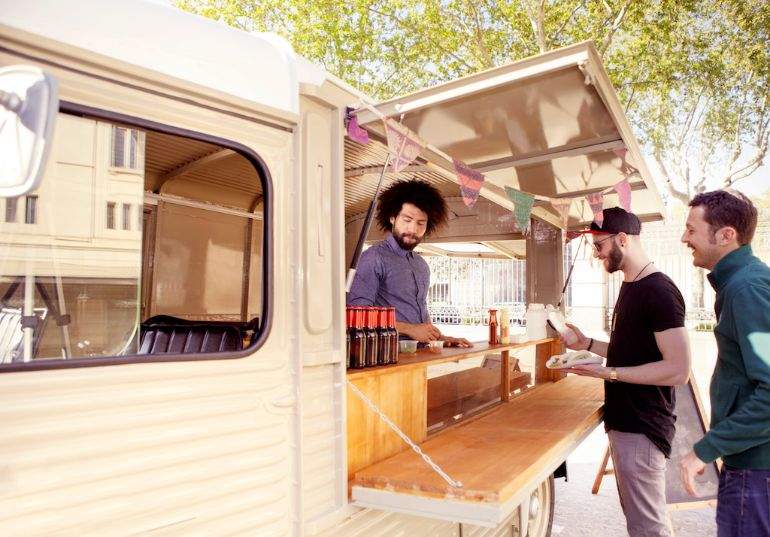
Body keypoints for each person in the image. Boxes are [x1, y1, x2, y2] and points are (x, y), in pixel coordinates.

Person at [562, 207, 691, 537]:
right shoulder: (631, 284)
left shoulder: (658, 290)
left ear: (622, 239)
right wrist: (587, 342)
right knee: (641, 523)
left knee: (648, 528)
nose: (597, 254)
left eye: (600, 245)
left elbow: (678, 369)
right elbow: (631, 352)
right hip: (627, 425)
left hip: (642, 427)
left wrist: (608, 374)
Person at [679, 189, 770, 536]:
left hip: (756, 469)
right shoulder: (741, 283)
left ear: (726, 235)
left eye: (691, 229)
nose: (685, 237)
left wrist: (706, 449)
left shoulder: (747, 289)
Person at [347, 179, 471, 347]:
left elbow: (421, 322)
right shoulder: (373, 258)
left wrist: (442, 339)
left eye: (421, 223)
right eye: (407, 220)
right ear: (392, 217)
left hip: (419, 356)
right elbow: (357, 315)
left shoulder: (421, 265)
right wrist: (410, 329)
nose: (413, 229)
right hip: (385, 356)